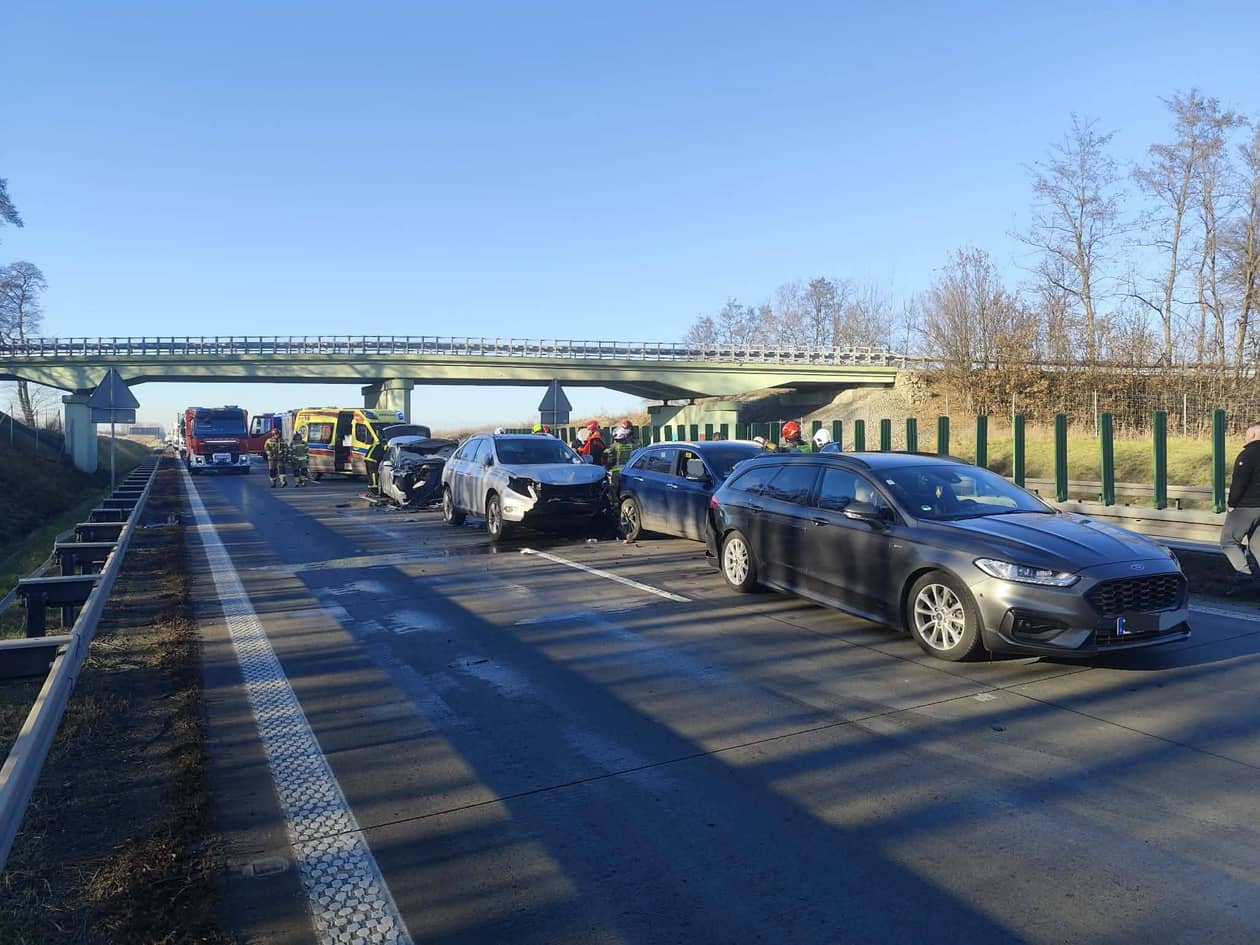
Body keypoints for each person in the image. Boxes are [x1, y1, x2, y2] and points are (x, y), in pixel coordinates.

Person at [1222, 423, 1260, 595]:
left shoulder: (1248, 454)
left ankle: (1245, 577)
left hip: (1246, 507)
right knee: (1258, 547)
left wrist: (1231, 503)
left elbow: (1239, 483)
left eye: (1246, 434)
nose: (1245, 438)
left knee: (1228, 542)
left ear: (1252, 434)